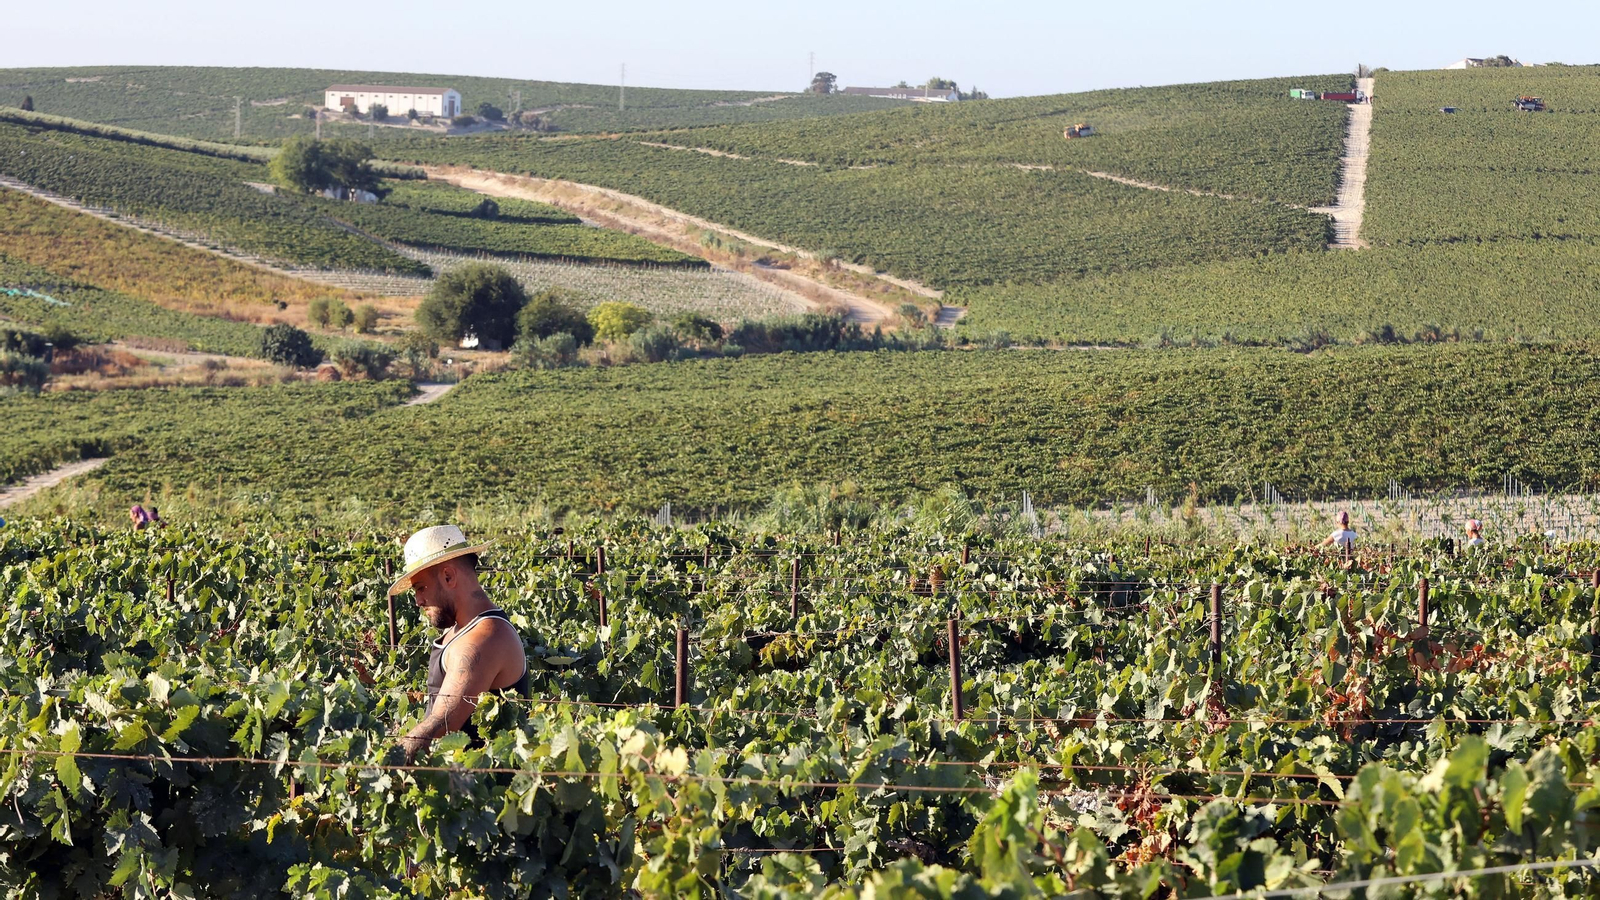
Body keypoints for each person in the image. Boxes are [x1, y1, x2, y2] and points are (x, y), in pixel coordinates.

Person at [388, 525, 527, 760]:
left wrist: (383, 764)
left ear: (448, 576)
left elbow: (439, 726)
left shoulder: (485, 638)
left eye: (420, 588)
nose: (418, 601)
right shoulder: (461, 629)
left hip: (478, 781)